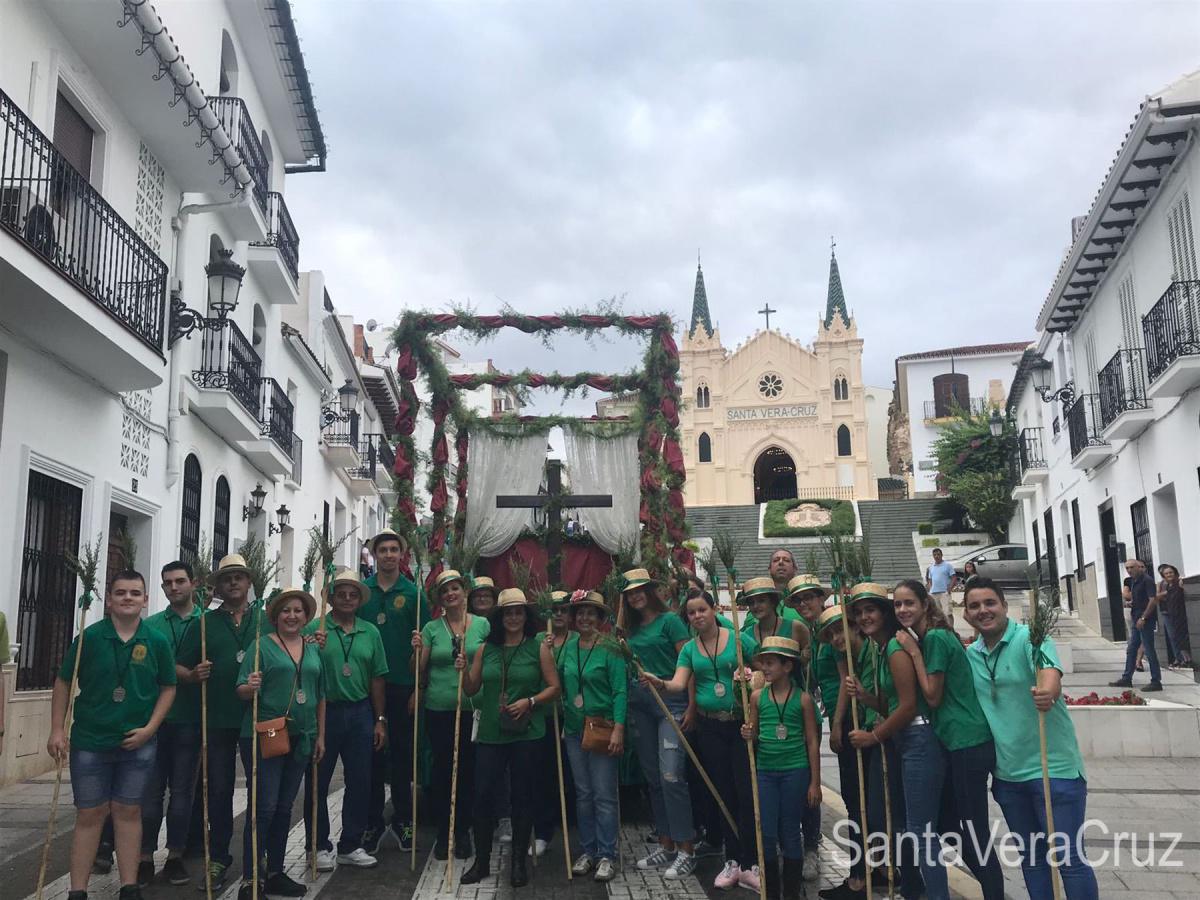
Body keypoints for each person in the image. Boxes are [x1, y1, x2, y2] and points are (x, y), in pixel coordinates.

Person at [963, 578, 1098, 900]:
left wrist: (1047, 693)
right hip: (1008, 776)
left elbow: (1050, 675)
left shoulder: (1030, 638)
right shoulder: (971, 655)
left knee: (1069, 859)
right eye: (974, 606)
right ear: (966, 614)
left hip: (1054, 771)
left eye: (990, 603)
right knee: (1033, 860)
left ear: (1004, 605)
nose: (983, 611)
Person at [48, 570, 177, 900]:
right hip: (91, 742)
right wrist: (57, 729)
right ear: (109, 600)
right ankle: (78, 890)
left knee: (129, 812)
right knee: (89, 814)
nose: (127, 598)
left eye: (135, 593)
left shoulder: (156, 641)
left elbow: (168, 687)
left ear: (145, 600)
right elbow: (64, 681)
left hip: (138, 744)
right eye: (120, 592)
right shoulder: (89, 638)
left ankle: (129, 886)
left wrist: (151, 728)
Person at [641, 588, 760, 892]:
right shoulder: (689, 650)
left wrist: (751, 681)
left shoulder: (738, 639)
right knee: (722, 795)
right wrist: (659, 682)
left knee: (746, 794)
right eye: (691, 613)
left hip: (740, 725)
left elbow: (766, 670)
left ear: (714, 609)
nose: (697, 616)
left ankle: (752, 861)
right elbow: (678, 683)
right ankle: (733, 860)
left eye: (701, 610)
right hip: (709, 727)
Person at [892, 579, 1004, 900]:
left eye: (909, 603)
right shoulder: (932, 636)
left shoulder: (935, 638)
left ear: (925, 604)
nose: (903, 609)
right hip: (957, 742)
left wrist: (914, 653)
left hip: (967, 742)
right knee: (950, 826)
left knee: (974, 832)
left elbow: (933, 695)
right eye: (897, 604)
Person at [460, 588, 561, 887]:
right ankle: (482, 862)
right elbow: (471, 689)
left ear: (525, 616)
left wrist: (530, 701)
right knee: (482, 795)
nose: (513, 617)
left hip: (527, 732)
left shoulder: (538, 647)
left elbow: (554, 688)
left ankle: (518, 862)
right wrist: (462, 671)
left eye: (518, 612)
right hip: (491, 732)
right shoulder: (485, 649)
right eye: (508, 613)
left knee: (522, 797)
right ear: (500, 617)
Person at [175, 553, 261, 893]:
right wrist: (192, 675)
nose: (233, 582)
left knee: (260, 791)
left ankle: (258, 859)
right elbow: (177, 666)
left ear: (249, 582)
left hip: (257, 719)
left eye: (239, 577)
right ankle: (219, 858)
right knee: (219, 791)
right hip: (217, 719)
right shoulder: (203, 624)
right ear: (219, 586)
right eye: (227, 578)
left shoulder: (265, 619)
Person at [235, 588, 326, 900]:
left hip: (303, 736)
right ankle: (251, 879)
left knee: (285, 807)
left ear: (306, 616)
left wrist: (320, 736)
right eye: (286, 610)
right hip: (268, 733)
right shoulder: (260, 646)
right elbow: (241, 689)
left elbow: (320, 695)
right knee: (264, 807)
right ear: (275, 616)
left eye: (298, 611)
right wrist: (250, 686)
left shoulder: (312, 648)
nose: (292, 616)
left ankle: (274, 872)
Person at [845, 582, 927, 900]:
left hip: (910, 740)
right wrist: (864, 696)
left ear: (884, 613)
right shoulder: (878, 649)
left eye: (871, 610)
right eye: (859, 613)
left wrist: (873, 736)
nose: (864, 617)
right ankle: (908, 884)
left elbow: (908, 706)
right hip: (895, 740)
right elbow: (888, 702)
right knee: (886, 817)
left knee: (901, 819)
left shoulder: (894, 647)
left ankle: (914, 886)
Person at [304, 569, 389, 871]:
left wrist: (380, 719)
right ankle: (318, 846)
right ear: (331, 599)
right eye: (341, 594)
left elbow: (377, 678)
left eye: (353, 594)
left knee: (360, 780)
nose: (348, 599)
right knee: (318, 781)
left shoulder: (370, 632)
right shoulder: (314, 628)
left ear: (359, 600)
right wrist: (311, 646)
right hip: (323, 713)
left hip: (360, 712)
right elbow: (300, 667)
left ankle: (351, 844)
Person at [620, 569, 698, 879]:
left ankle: (687, 849)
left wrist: (692, 705)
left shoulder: (670, 621)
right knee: (653, 778)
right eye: (629, 593)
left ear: (651, 591)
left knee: (671, 776)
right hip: (640, 705)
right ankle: (666, 845)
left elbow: (688, 661)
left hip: (671, 703)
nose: (635, 596)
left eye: (640, 590)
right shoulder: (630, 629)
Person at [356, 529, 428, 853]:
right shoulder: (363, 593)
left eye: (393, 549)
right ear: (374, 554)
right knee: (371, 757)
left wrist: (418, 687)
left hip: (401, 686)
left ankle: (403, 820)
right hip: (366, 685)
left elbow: (425, 645)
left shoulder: (414, 594)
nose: (388, 554)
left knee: (401, 757)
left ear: (402, 555)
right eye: (382, 549)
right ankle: (372, 821)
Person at [411, 569, 490, 861]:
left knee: (469, 771)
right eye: (444, 591)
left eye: (455, 588)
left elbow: (493, 659)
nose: (450, 594)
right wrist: (417, 650)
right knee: (444, 771)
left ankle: (464, 831)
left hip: (473, 708)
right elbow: (417, 670)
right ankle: (445, 832)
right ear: (440, 598)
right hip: (440, 709)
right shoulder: (432, 628)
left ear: (465, 592)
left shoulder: (482, 624)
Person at [741, 636, 821, 900]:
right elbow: (754, 735)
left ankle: (792, 893)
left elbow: (812, 741)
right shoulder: (756, 697)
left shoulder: (803, 700)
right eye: (763, 663)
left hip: (795, 771)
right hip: (765, 771)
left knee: (790, 832)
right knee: (766, 833)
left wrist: (815, 782)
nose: (764, 668)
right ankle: (772, 892)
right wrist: (748, 734)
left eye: (770, 663)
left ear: (787, 667)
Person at [138, 561, 202, 887]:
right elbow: (146, 666)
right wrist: (183, 673)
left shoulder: (207, 623)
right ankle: (144, 857)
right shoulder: (150, 625)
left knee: (182, 793)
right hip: (154, 721)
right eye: (167, 583)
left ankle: (175, 855)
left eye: (179, 581)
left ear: (193, 583)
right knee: (150, 795)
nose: (173, 587)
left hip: (190, 719)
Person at [556, 590, 627, 881]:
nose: (585, 618)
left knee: (604, 795)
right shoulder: (569, 646)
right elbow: (559, 680)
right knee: (583, 793)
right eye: (580, 613)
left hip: (602, 728)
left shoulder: (610, 647)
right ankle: (588, 850)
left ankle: (607, 853)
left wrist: (619, 728)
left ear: (600, 618)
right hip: (575, 729)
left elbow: (620, 690)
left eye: (591, 613)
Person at [815, 605, 876, 900]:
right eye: (831, 634)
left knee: (860, 802)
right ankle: (867, 870)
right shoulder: (848, 651)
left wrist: (838, 723)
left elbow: (850, 684)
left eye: (841, 630)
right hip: (856, 724)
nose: (837, 638)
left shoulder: (872, 652)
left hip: (866, 728)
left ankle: (859, 878)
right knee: (858, 802)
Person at [783, 574, 829, 880]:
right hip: (795, 715)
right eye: (798, 600)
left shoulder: (831, 627)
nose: (803, 604)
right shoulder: (801, 630)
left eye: (809, 597)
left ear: (821, 598)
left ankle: (812, 845)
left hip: (831, 715)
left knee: (812, 781)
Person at [1109, 558, 1163, 692]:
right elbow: (1139, 598)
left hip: (1145, 620)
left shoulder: (1147, 580)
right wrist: (1132, 603)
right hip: (1136, 618)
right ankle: (1127, 678)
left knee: (1149, 650)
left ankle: (1156, 681)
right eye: (1127, 568)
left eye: (1132, 567)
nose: (1129, 570)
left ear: (1139, 567)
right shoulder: (1134, 581)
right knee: (1132, 649)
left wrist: (1144, 617)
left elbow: (1153, 600)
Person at [1157, 564, 1192, 669]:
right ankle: (1183, 659)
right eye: (1166, 573)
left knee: (1181, 637)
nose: (1169, 575)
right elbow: (1157, 596)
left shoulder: (1180, 583)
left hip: (1181, 615)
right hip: (1172, 614)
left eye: (1171, 572)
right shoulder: (1167, 585)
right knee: (1175, 637)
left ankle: (1187, 659)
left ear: (1175, 573)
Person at [925, 548, 958, 621]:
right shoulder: (931, 567)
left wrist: (949, 588)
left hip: (944, 593)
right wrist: (930, 590)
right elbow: (930, 580)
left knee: (947, 613)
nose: (936, 556)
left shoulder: (948, 565)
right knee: (937, 614)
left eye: (938, 554)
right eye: (934, 555)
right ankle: (942, 627)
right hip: (934, 593)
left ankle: (950, 627)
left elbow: (954, 577)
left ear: (942, 555)